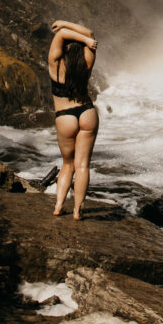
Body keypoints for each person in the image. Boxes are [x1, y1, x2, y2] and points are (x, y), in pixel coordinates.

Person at [47, 18, 99, 219]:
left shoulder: (55, 63)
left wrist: (62, 25)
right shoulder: (87, 61)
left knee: (68, 163)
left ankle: (59, 206)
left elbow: (60, 35)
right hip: (87, 112)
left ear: (66, 48)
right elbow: (91, 34)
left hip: (65, 116)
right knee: (83, 165)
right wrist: (86, 41)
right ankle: (78, 210)